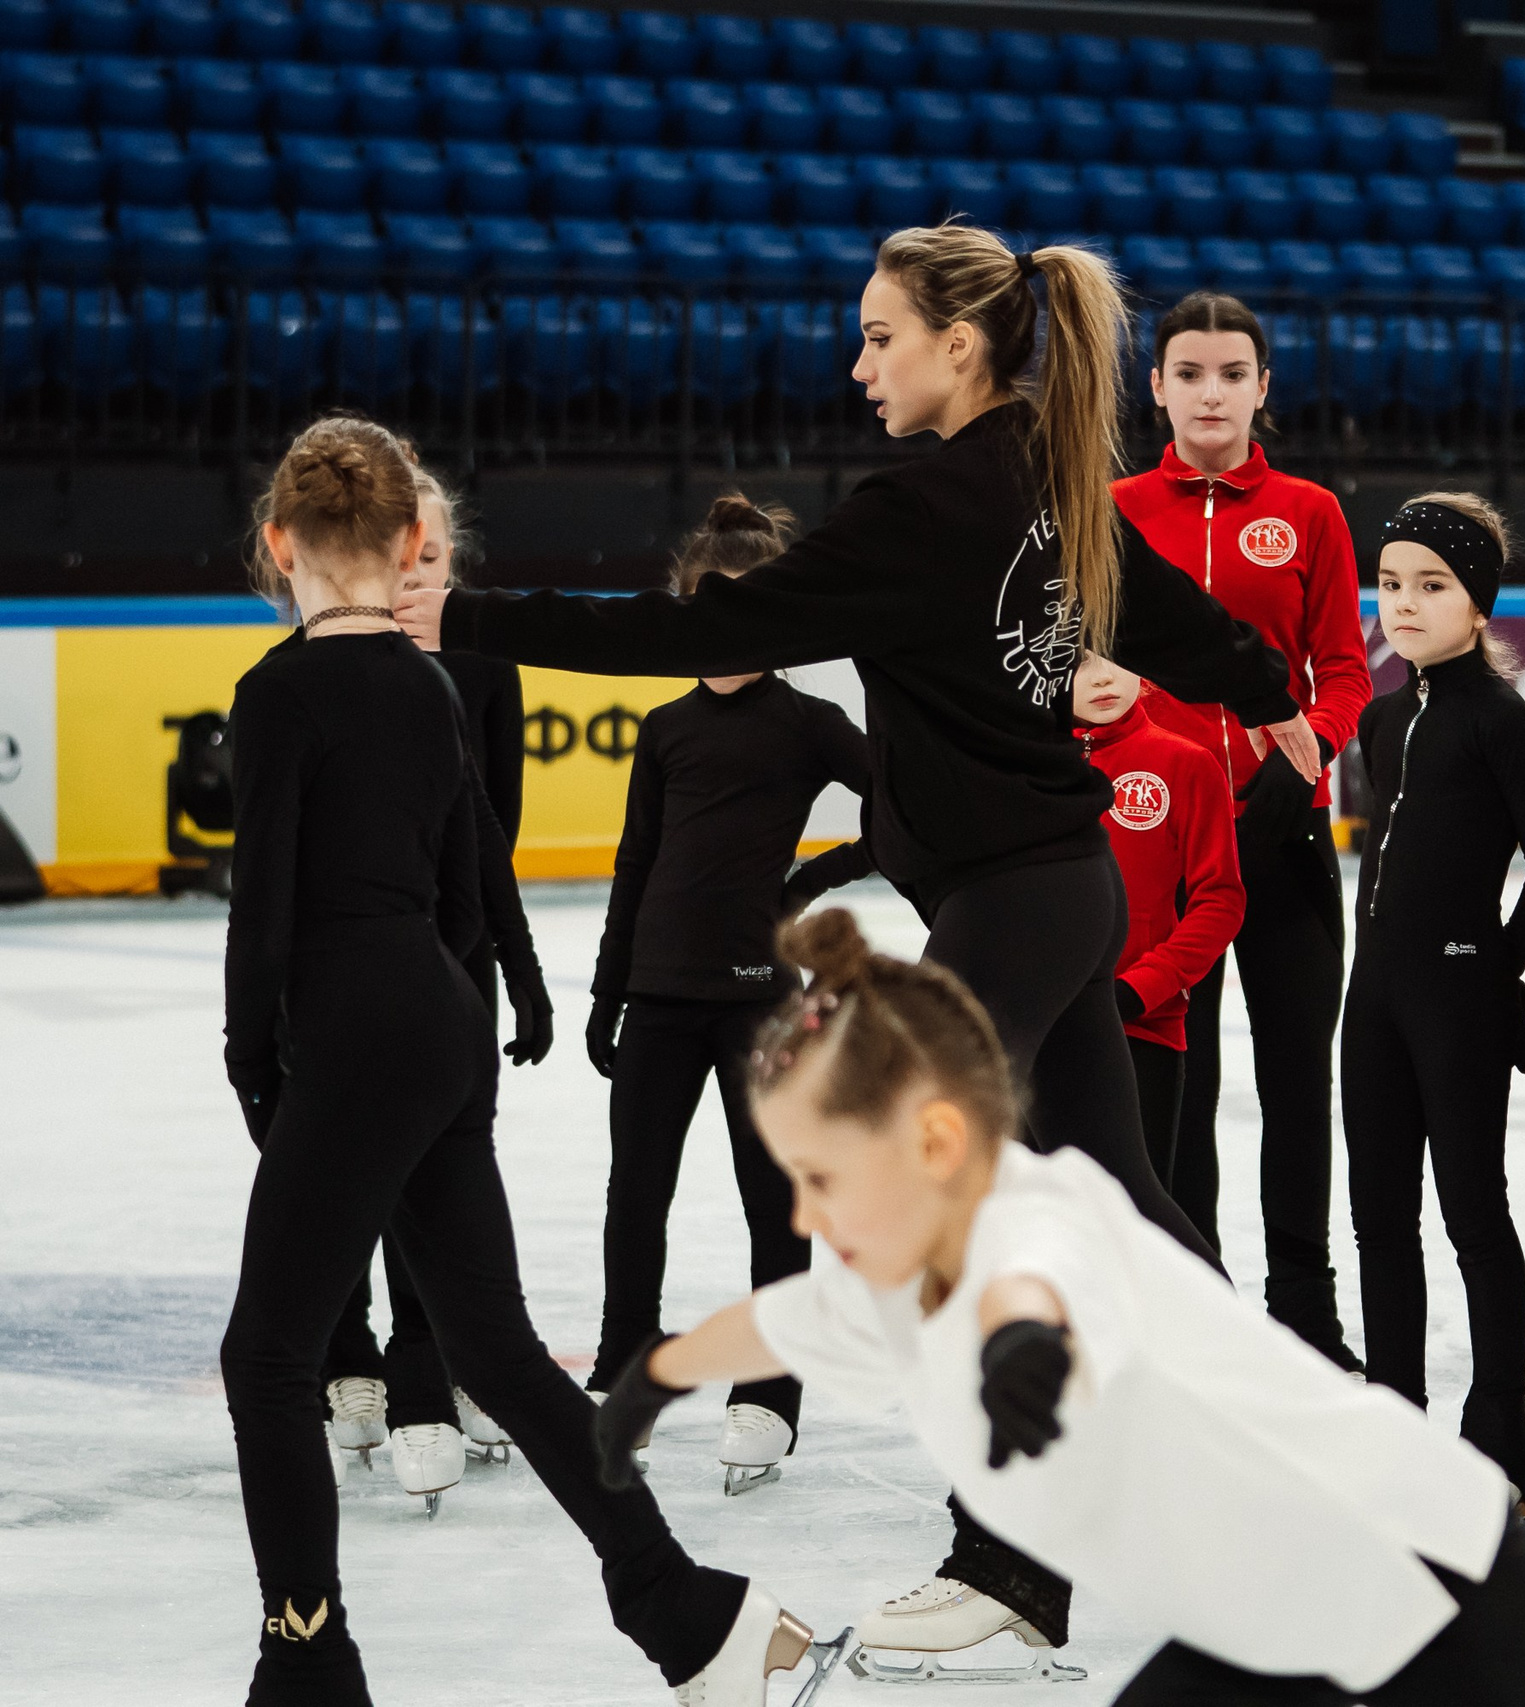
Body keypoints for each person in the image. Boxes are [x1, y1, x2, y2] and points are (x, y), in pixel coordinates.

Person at [395, 224, 1319, 1672]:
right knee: (1123, 1201)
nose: (859, 360)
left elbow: (694, 627)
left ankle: (1010, 1561)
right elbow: (1193, 628)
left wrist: (466, 619)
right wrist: (1279, 695)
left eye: (880, 334)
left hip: (1022, 895)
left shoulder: (934, 504)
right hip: (1059, 887)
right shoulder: (1047, 474)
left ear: (959, 344)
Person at [591, 907, 1525, 1707]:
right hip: (1259, 1613)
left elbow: (1037, 1282)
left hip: (1411, 1557)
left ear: (937, 1146)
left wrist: (1022, 1345)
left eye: (823, 1175)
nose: (806, 1212)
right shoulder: (884, 1269)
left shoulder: (1040, 1212)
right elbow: (780, 1322)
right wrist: (655, 1377)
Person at [221, 415, 799, 1707]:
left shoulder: (279, 691)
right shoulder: (432, 683)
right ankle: (691, 1610)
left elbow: (263, 907)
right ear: (416, 542)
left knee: (268, 1356)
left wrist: (252, 1061)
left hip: (355, 1026)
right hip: (436, 1017)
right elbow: (462, 881)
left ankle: (306, 1663)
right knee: (493, 1344)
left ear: (278, 544)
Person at [581, 494, 875, 1497]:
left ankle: (769, 1392)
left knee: (770, 1204)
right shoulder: (664, 729)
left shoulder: (811, 725)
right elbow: (636, 864)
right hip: (659, 995)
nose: (724, 619)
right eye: (706, 601)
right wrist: (605, 990)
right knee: (637, 1196)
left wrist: (817, 879)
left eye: (745, 602)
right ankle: (626, 1372)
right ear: (680, 603)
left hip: (758, 1003)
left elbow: (906, 806)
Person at [278, 454, 546, 1506]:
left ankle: (438, 1361)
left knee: (446, 1175)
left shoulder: (484, 668)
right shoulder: (308, 669)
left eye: (434, 561)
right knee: (345, 1163)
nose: (415, 579)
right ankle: (351, 1357)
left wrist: (484, 961)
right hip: (342, 964)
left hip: (451, 961)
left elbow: (498, 833)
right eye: (405, 560)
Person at [1112, 289, 1371, 1369]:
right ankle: (1193, 1297)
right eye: (1189, 373)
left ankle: (1303, 1308)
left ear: (1262, 390)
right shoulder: (1112, 505)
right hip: (1161, 848)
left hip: (1284, 837)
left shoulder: (1309, 511)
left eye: (1231, 375)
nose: (1209, 393)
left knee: (1295, 1081)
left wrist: (1294, 753)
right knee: (1178, 1082)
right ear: (1158, 386)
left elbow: (1347, 675)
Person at [1343, 491, 1525, 1510]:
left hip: (1452, 1001)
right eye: (1392, 584)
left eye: (1430, 586)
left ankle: (1500, 1435)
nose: (1404, 603)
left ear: (1477, 603)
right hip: (1374, 1003)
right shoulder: (1380, 716)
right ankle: (1394, 1421)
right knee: (1379, 1219)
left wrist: (1494, 971)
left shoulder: (1501, 722)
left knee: (1474, 1216)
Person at [1069, 650, 1245, 1183]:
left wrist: (1141, 988)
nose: (1104, 675)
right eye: (1079, 662)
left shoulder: (1185, 763)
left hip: (1143, 1025)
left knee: (1139, 1218)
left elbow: (1221, 901)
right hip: (1039, 1027)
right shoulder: (1020, 765)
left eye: (1119, 656)